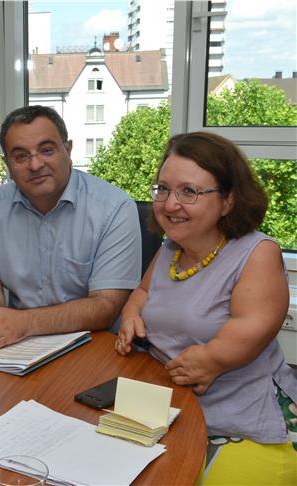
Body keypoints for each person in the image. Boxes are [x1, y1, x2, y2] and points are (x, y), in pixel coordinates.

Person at [116, 132, 296, 484]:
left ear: (228, 200)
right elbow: (142, 291)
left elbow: (255, 326)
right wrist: (130, 315)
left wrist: (214, 358)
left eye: (189, 192)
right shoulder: (172, 247)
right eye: (163, 189)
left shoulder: (257, 252)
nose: (170, 204)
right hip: (168, 406)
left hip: (244, 417)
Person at [0, 105, 141, 352]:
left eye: (47, 150)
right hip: (17, 346)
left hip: (92, 345)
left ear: (68, 150)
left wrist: (23, 322)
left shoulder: (115, 208)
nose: (35, 164)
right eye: (21, 156)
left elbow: (106, 307)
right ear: (7, 164)